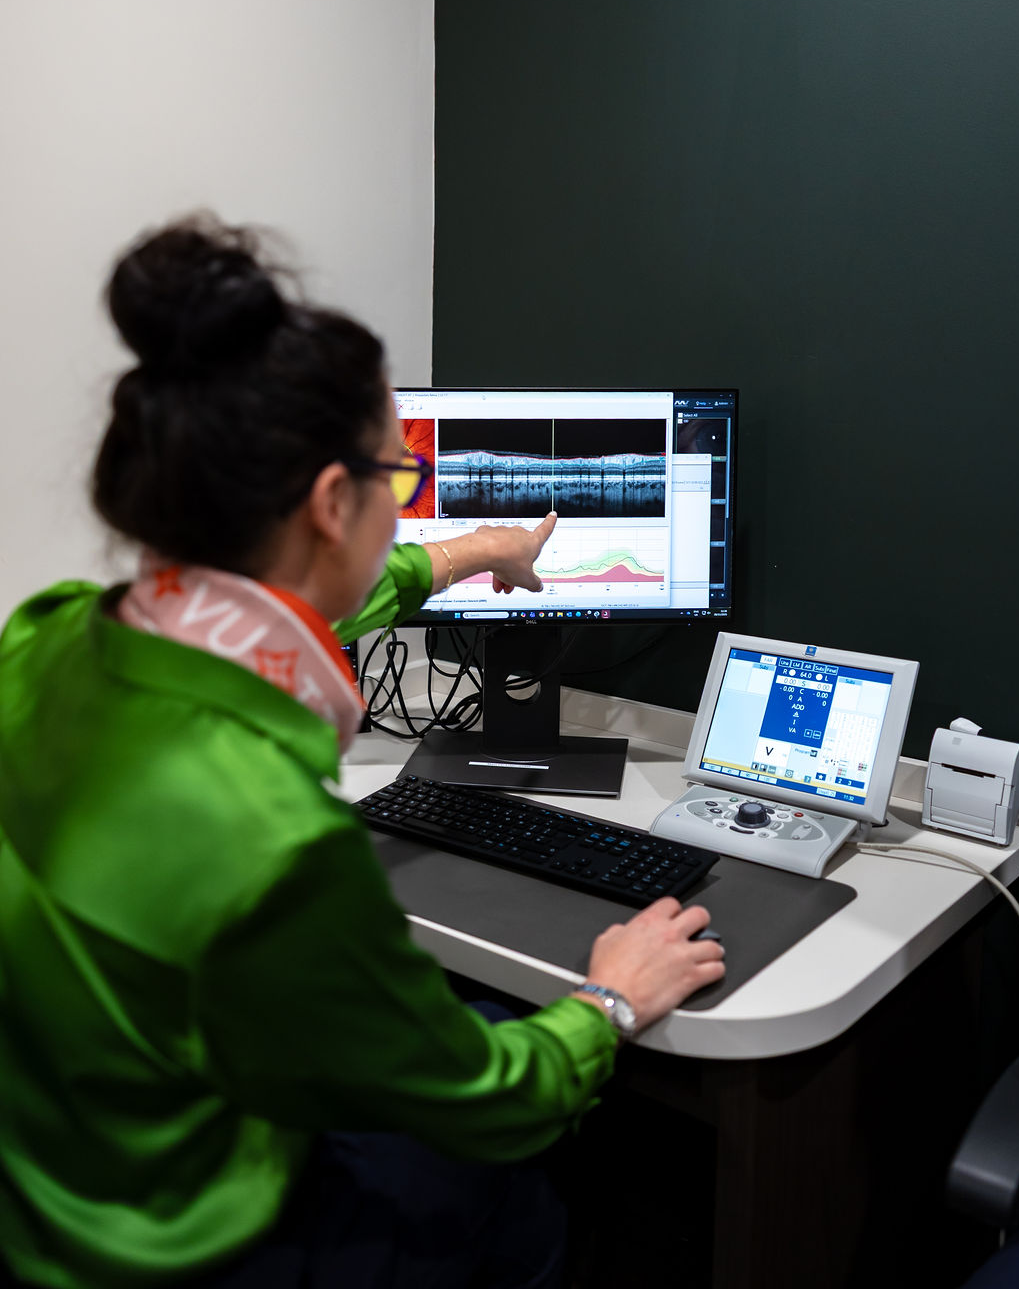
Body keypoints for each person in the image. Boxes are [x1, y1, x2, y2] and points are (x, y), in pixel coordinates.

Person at [0, 216, 724, 1288]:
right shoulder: (276, 838)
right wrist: (608, 1000)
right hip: (174, 1244)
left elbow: (302, 607)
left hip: (53, 1173)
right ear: (332, 504)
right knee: (517, 1184)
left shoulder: (49, 633)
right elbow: (487, 1102)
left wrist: (477, 551)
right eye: (399, 470)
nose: (406, 491)